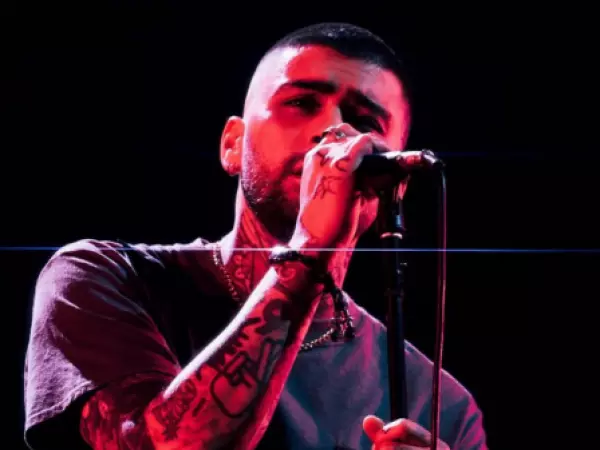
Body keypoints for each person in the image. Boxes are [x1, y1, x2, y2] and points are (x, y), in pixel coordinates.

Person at [23, 22, 488, 449]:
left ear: (396, 184)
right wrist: (310, 251)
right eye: (301, 103)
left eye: (365, 123)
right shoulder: (101, 278)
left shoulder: (443, 406)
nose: (334, 131)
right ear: (233, 144)